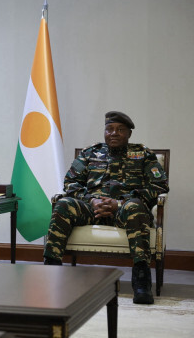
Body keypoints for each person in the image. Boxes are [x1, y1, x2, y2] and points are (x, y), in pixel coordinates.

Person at [43, 111, 169, 305]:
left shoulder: (143, 154)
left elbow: (159, 186)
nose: (114, 133)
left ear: (129, 134)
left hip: (124, 212)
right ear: (104, 132)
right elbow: (70, 183)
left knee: (134, 207)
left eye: (120, 130)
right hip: (91, 209)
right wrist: (91, 200)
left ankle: (142, 281)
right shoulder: (90, 153)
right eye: (109, 129)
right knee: (63, 204)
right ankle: (51, 272)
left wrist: (120, 203)